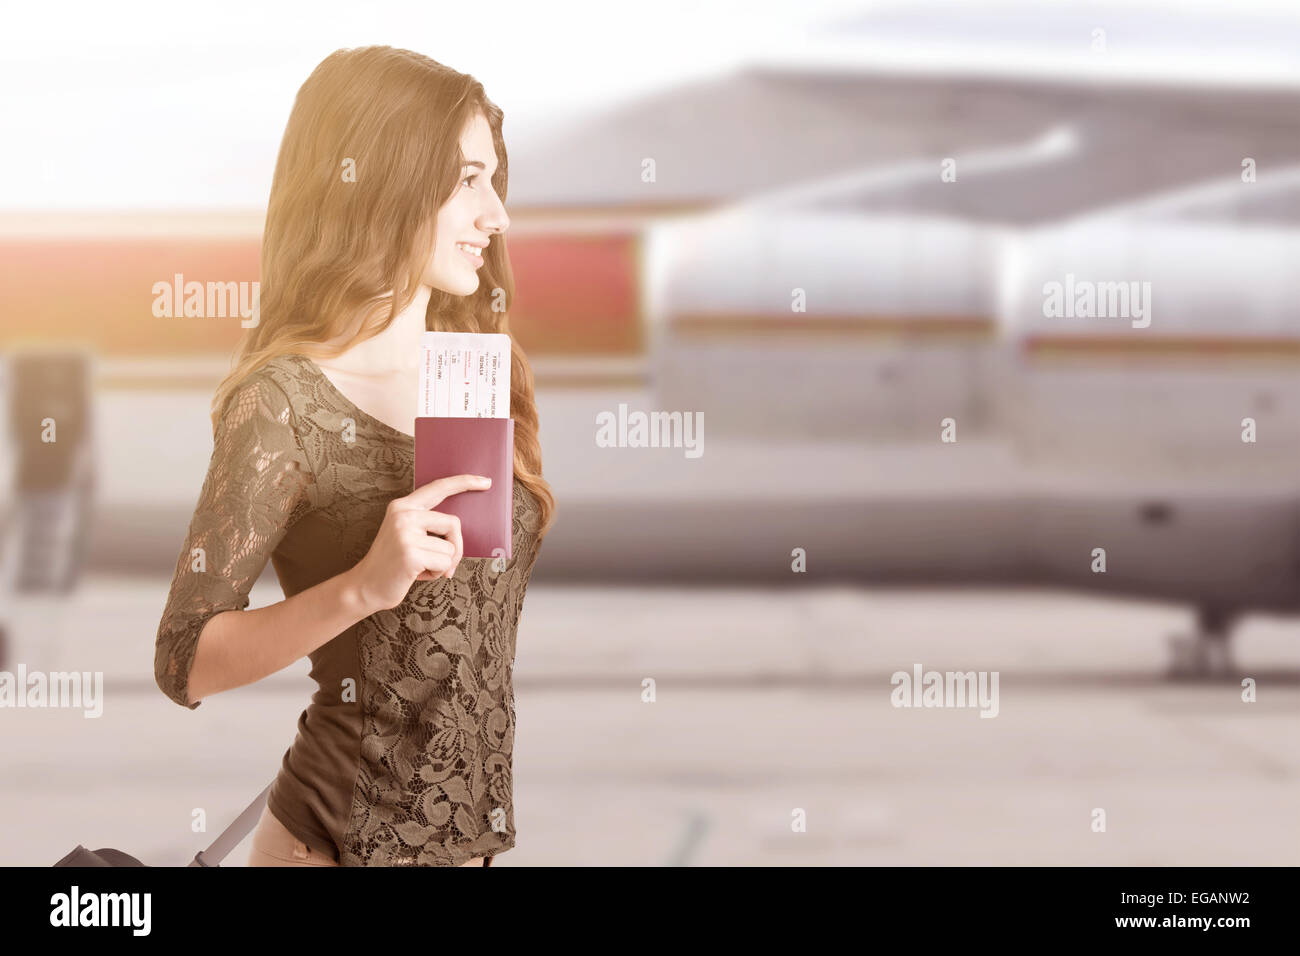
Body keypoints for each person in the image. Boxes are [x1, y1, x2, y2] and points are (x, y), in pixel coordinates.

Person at [153, 46, 556, 867]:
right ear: (385, 185)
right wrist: (363, 587)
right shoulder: (285, 402)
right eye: (466, 180)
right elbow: (183, 660)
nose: (496, 214)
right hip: (335, 845)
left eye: (494, 178)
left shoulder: (478, 369)